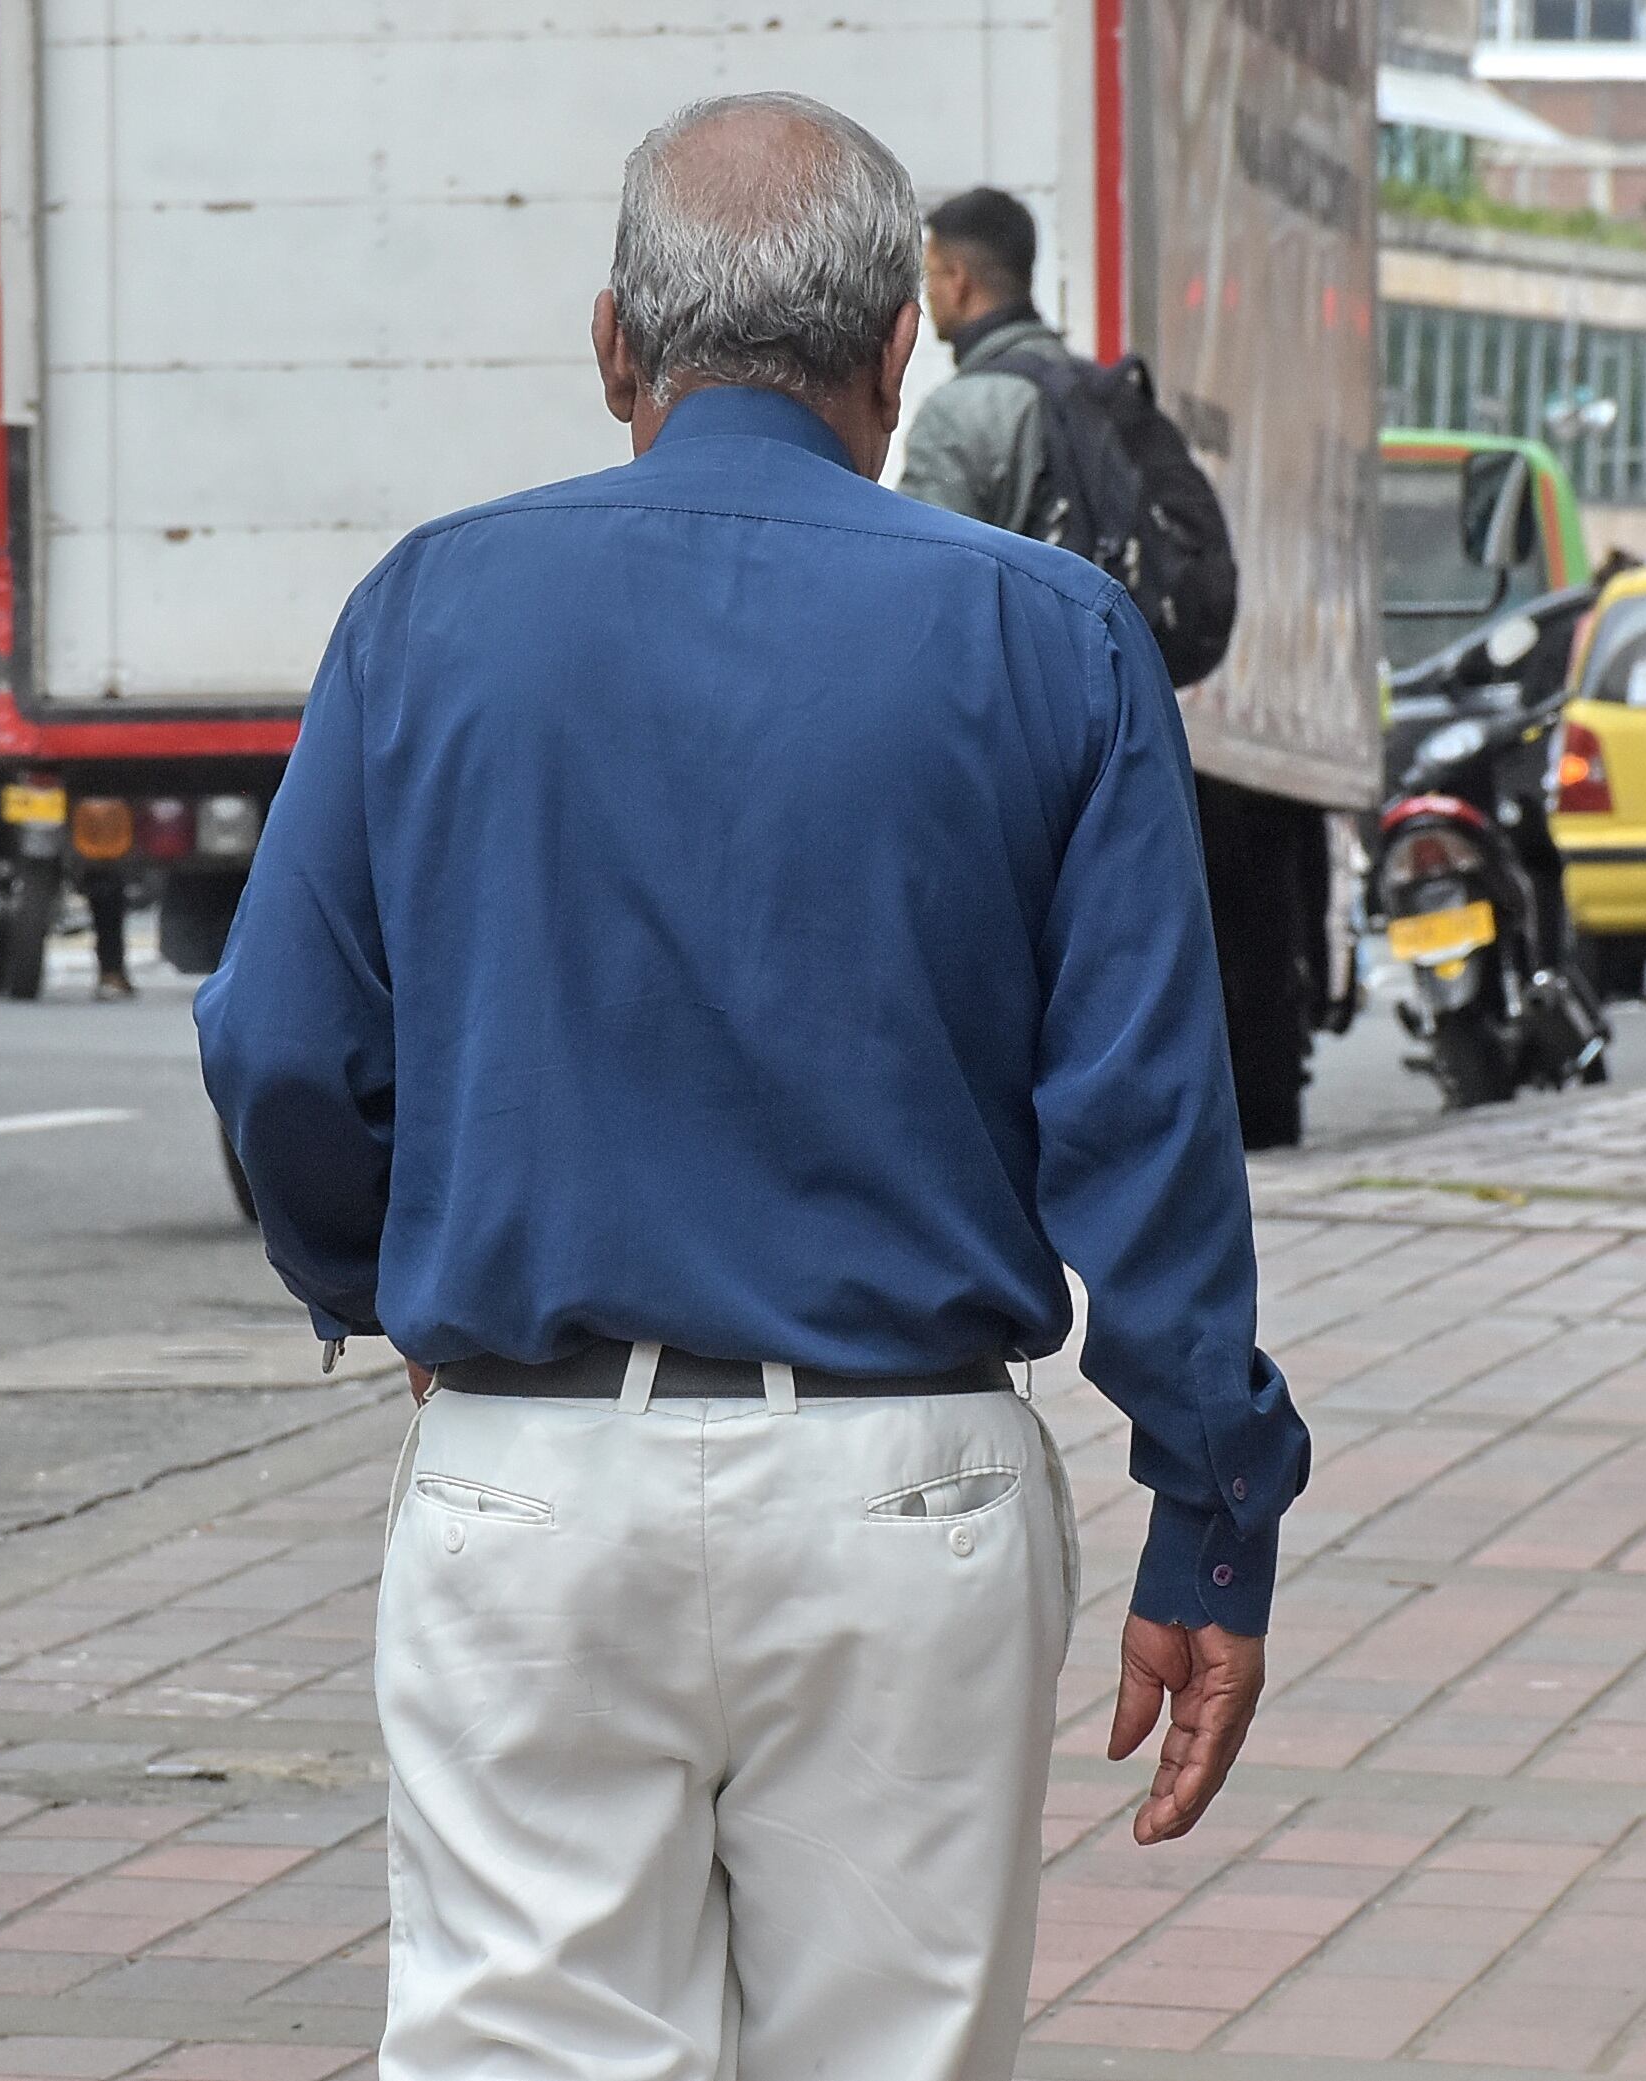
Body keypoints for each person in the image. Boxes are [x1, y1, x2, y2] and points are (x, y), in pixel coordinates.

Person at [195, 94, 1306, 2081]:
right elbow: (1147, 1119)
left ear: (613, 340)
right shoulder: (1051, 634)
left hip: (531, 1477)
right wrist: (1209, 1510)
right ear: (899, 354)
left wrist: (384, 1279)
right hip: (906, 1489)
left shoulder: (426, 607)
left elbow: (278, 1042)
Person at [893, 185, 1062, 530]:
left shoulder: (954, 415)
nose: (927, 293)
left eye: (930, 276)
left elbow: (925, 566)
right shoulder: (1099, 388)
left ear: (958, 281)